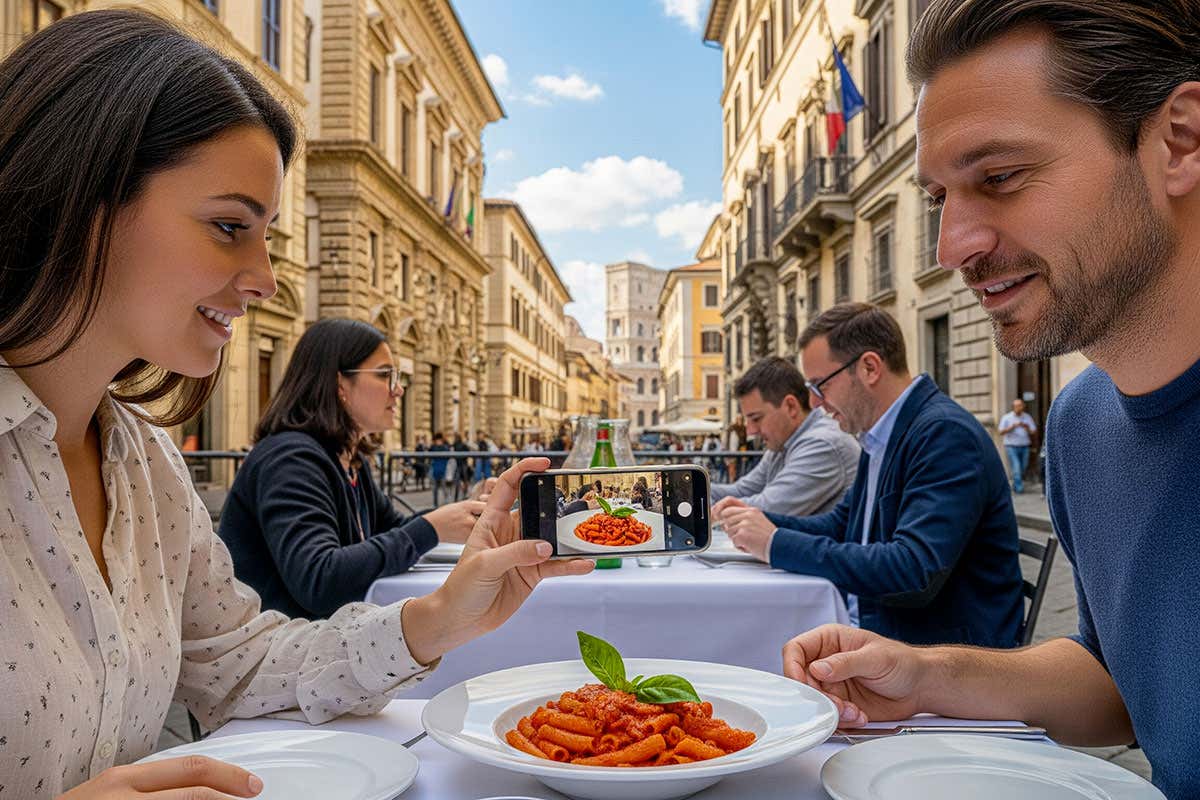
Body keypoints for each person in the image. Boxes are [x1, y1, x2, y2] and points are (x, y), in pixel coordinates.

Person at [0, 12, 593, 797]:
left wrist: (444, 615)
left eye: (267, 234)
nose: (266, 278)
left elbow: (239, 662)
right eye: (227, 226)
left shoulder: (144, 462)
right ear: (83, 197)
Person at [782, 3, 1200, 796]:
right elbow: (1118, 682)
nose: (953, 247)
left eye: (1000, 177)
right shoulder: (1081, 426)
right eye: (940, 196)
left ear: (1179, 140)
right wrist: (927, 673)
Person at [722, 304, 1023, 647]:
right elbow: (841, 526)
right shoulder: (883, 433)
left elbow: (913, 571)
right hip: (888, 631)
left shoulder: (944, 435)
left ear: (868, 367)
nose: (816, 403)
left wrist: (776, 542)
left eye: (820, 385)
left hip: (940, 654)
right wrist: (760, 521)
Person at [217, 320, 486, 618]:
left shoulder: (349, 459)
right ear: (340, 384)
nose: (398, 390)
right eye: (385, 375)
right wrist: (432, 527)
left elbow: (395, 529)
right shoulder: (290, 459)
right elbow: (320, 580)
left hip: (319, 639)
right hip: (272, 652)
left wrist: (464, 511)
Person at [710, 357, 860, 518]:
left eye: (756, 418)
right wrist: (690, 490)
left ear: (791, 406)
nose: (751, 431)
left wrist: (703, 511)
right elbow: (741, 491)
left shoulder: (824, 444)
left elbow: (769, 508)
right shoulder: (783, 442)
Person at [998, 397, 1038, 493]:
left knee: (1023, 467)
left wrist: (1026, 427)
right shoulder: (1007, 417)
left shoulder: (1027, 417)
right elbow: (1001, 431)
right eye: (1017, 406)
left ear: (1023, 407)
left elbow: (1033, 431)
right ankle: (1019, 489)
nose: (1019, 407)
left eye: (1020, 405)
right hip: (1011, 446)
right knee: (1016, 467)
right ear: (1013, 407)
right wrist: (1012, 427)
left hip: (1024, 446)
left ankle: (1015, 485)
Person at [429, 431, 450, 505]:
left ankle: (447, 502)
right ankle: (435, 503)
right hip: (435, 470)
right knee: (435, 489)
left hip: (442, 470)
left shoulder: (444, 447)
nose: (438, 442)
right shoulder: (434, 447)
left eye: (439, 440)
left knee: (444, 487)